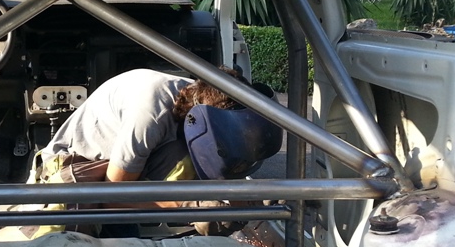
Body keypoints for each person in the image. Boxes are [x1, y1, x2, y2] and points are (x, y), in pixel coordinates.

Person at [36, 67, 283, 223]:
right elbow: (112, 199)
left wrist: (247, 202)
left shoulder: (203, 101)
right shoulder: (150, 116)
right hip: (79, 174)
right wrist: (189, 207)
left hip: (126, 170)